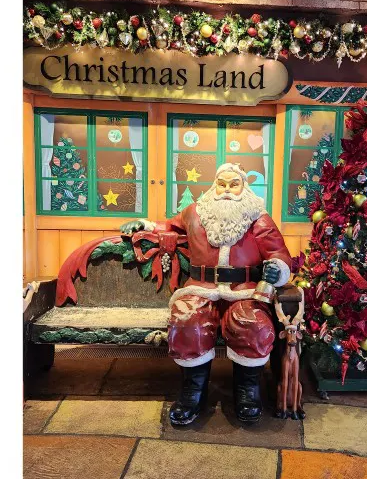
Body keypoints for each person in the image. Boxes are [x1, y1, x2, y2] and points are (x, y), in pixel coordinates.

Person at [121, 163, 292, 426]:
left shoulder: (258, 217)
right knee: (187, 321)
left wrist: (277, 269)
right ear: (214, 185)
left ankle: (247, 390)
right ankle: (192, 392)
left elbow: (279, 254)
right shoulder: (195, 212)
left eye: (233, 184)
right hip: (201, 288)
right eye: (221, 184)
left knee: (253, 324)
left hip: (244, 291)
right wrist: (143, 223)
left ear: (243, 187)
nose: (226, 191)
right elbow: (168, 224)